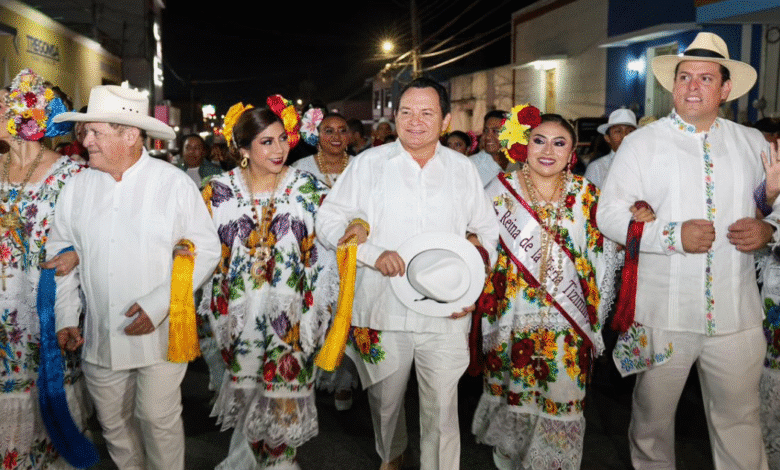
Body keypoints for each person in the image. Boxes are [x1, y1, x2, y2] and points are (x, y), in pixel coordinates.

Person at [597, 31, 777, 469]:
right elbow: (609, 215)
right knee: (652, 423)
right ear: (672, 85)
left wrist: (768, 229)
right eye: (684, 77)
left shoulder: (753, 142)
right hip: (664, 314)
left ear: (725, 88)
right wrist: (672, 236)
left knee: (740, 419)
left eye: (705, 78)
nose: (692, 86)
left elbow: (772, 201)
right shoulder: (643, 142)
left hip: (737, 314)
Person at [316, 77, 499, 470]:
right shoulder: (368, 164)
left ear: (446, 120)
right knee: (384, 402)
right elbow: (328, 219)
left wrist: (469, 285)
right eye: (406, 112)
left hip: (446, 312)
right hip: (381, 309)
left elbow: (487, 231)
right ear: (395, 116)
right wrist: (368, 252)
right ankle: (392, 453)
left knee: (442, 409)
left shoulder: (462, 169)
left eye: (427, 113)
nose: (415, 121)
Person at [49, 84, 221, 470]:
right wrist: (65, 317)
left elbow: (206, 249)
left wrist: (160, 304)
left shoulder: (172, 184)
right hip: (100, 336)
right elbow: (60, 258)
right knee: (114, 426)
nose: (85, 141)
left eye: (95, 132)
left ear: (130, 135)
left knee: (157, 421)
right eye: (84, 132)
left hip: (158, 333)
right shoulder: (76, 188)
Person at [471, 107, 618, 470]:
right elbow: (479, 247)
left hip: (568, 320)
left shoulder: (588, 196)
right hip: (511, 316)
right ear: (524, 145)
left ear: (573, 151)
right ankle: (509, 453)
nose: (548, 150)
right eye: (539, 140)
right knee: (514, 390)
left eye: (559, 142)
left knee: (561, 394)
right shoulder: (498, 192)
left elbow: (605, 253)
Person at [200, 97, 337, 470]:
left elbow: (332, 237)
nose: (279, 149)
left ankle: (280, 462)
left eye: (281, 139)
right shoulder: (217, 192)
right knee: (247, 397)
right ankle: (249, 459)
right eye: (266, 142)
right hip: (237, 314)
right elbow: (196, 245)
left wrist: (355, 229)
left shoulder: (306, 188)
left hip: (292, 316)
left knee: (283, 397)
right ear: (242, 150)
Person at [0, 68, 90, 470]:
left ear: (21, 118)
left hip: (44, 307)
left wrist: (79, 253)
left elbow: (99, 239)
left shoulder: (71, 176)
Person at [293, 110, 355, 188]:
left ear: (348, 135)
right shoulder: (301, 167)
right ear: (318, 135)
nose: (336, 136)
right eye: (329, 131)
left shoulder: (359, 165)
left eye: (342, 131)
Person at [584, 108, 637, 188]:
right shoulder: (597, 168)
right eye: (618, 131)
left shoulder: (644, 165)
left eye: (630, 131)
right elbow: (587, 198)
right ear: (607, 138)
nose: (624, 136)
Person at [470, 110, 511, 187]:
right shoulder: (471, 166)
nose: (488, 137)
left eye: (496, 131)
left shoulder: (519, 166)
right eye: (486, 131)